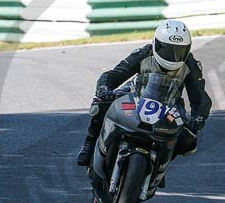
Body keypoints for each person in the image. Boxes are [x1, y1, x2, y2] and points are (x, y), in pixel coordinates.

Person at [76, 19, 212, 169]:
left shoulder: (191, 64)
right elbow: (114, 74)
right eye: (167, 50)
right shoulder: (144, 53)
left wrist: (197, 118)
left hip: (170, 104)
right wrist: (104, 89)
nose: (172, 56)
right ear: (156, 44)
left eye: (179, 51)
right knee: (101, 104)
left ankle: (160, 163)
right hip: (136, 93)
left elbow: (200, 97)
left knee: (188, 140)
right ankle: (90, 142)